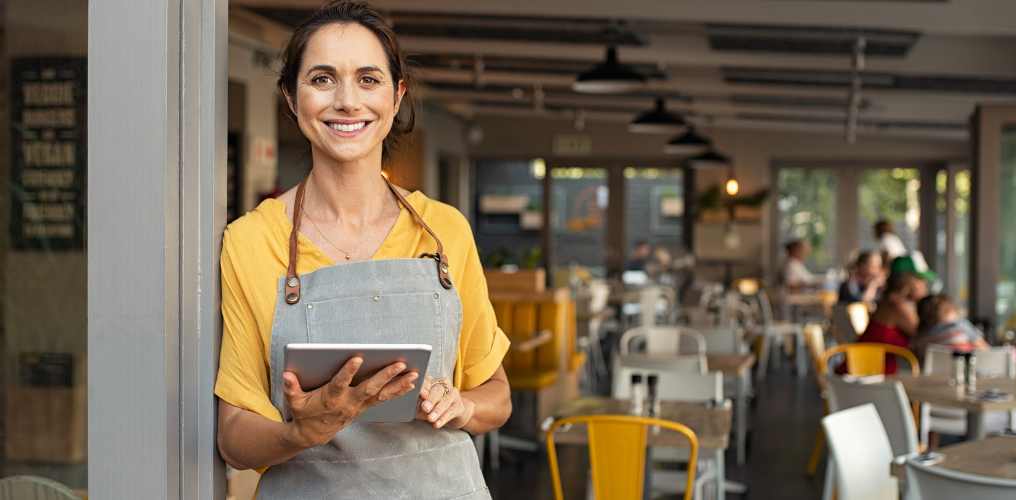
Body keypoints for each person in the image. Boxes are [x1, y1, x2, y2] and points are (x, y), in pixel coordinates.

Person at [214, 3, 510, 497]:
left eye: (369, 80)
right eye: (323, 79)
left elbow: (496, 396)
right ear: (291, 96)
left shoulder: (443, 232)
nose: (347, 101)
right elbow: (233, 438)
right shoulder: (251, 241)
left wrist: (462, 407)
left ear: (397, 97)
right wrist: (300, 432)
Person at [856, 272, 928, 374]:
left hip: (871, 370)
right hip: (865, 373)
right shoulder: (897, 305)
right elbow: (924, 333)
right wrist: (923, 301)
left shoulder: (889, 301)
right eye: (922, 283)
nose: (925, 288)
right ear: (911, 284)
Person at [915, 294, 990, 361]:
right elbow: (986, 351)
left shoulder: (920, 339)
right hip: (964, 372)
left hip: (934, 376)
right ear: (950, 311)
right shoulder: (959, 325)